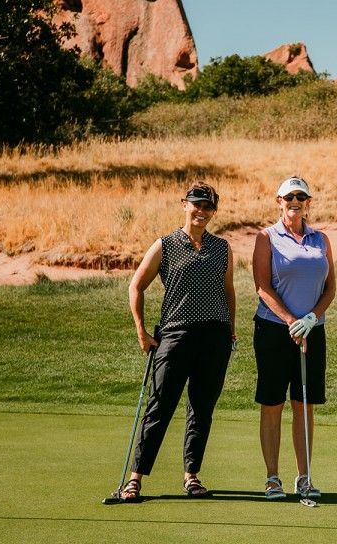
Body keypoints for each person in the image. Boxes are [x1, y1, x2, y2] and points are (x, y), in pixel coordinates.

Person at [119, 182, 236, 501]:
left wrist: (231, 330)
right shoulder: (166, 244)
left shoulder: (222, 247)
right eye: (196, 204)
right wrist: (141, 331)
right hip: (175, 334)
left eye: (208, 206)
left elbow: (228, 291)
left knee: (202, 408)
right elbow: (136, 286)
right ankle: (135, 478)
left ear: (214, 211)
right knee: (160, 405)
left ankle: (192, 476)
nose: (201, 210)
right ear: (184, 204)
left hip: (214, 336)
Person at [252, 176, 336, 500]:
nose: (295, 201)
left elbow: (331, 288)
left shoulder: (321, 239)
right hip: (274, 330)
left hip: (313, 331)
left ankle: (304, 477)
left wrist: (311, 319)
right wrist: (291, 321)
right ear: (279, 200)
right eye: (289, 196)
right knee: (273, 404)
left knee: (304, 406)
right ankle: (273, 478)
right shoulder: (266, 237)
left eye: (301, 196)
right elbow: (262, 286)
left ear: (308, 202)